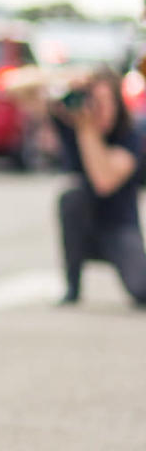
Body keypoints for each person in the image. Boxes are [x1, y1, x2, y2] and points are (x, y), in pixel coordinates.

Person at [52, 68, 146, 306]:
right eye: (95, 102)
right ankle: (72, 286)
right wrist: (61, 80)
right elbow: (19, 90)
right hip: (85, 230)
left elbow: (103, 181)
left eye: (107, 102)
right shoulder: (70, 122)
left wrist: (87, 130)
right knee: (71, 196)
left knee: (141, 289)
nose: (101, 110)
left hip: (119, 228)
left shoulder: (131, 134)